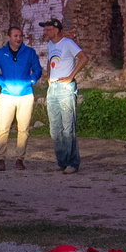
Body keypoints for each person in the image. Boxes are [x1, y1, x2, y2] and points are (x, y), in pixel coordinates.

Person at [0, 23, 44, 170]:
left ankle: (20, 158)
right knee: (3, 128)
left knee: (23, 129)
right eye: (16, 36)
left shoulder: (29, 52)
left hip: (25, 95)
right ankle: (1, 158)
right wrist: (1, 82)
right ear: (9, 37)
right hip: (7, 95)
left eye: (20, 36)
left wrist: (32, 80)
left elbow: (37, 69)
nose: (19, 39)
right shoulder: (0, 53)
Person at [40, 15, 83, 174]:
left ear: (57, 29)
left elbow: (83, 58)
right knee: (55, 128)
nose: (46, 31)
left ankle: (72, 162)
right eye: (45, 29)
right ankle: (61, 161)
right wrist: (49, 78)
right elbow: (50, 61)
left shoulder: (68, 43)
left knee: (67, 128)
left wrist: (71, 76)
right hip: (54, 88)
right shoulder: (51, 44)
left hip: (66, 88)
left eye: (48, 29)